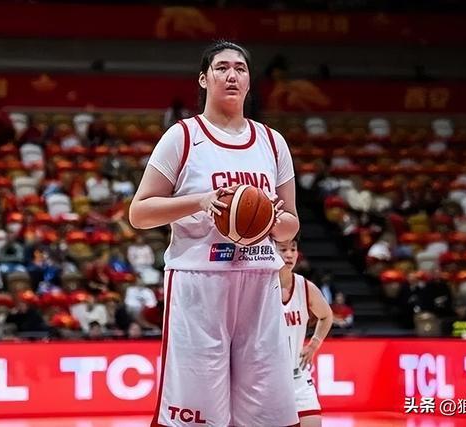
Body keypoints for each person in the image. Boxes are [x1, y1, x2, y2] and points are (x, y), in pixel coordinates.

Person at [130, 40, 300, 426]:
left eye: (240, 68)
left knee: (267, 415)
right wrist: (200, 201)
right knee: (197, 415)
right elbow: (139, 213)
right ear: (204, 79)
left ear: (249, 82)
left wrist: (271, 220)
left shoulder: (273, 142)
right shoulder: (183, 137)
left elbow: (291, 223)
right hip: (199, 282)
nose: (232, 75)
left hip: (260, 281)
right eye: (222, 68)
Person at [277, 237, 333, 426]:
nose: (289, 254)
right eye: (283, 249)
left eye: (293, 249)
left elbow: (326, 315)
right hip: (268, 380)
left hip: (298, 378)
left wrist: (314, 344)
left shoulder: (305, 286)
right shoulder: (259, 288)